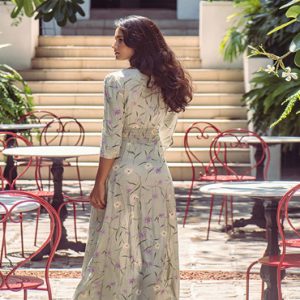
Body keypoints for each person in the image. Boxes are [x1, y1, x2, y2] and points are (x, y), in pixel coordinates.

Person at [73, 15, 192, 300]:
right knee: (154, 243)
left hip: (124, 170)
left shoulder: (117, 81)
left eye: (120, 40)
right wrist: (149, 152)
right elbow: (166, 133)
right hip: (157, 172)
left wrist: (99, 182)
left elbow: (111, 137)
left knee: (116, 242)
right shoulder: (167, 80)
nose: (113, 45)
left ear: (137, 44)